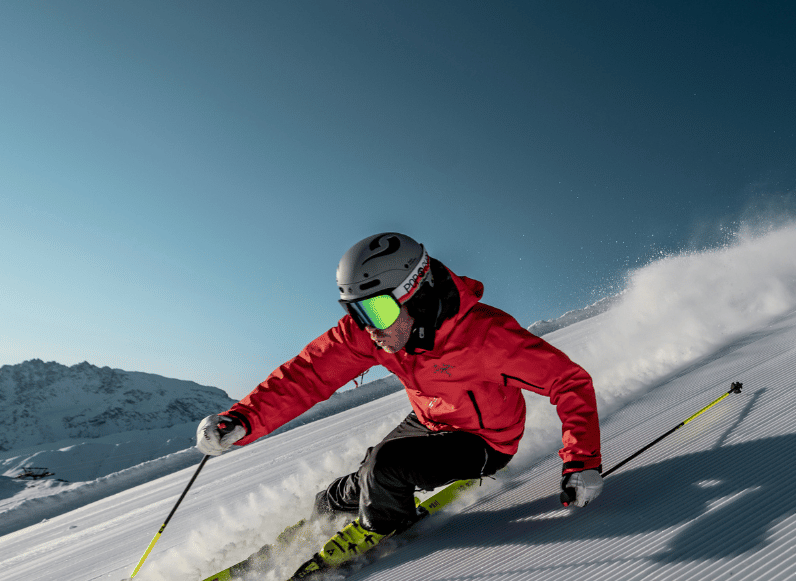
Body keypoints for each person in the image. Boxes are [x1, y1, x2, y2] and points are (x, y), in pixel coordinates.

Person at [196, 232, 603, 552]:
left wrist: (581, 461)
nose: (368, 327)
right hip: (427, 421)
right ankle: (322, 520)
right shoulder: (375, 333)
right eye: (355, 310)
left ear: (418, 295)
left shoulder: (485, 336)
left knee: (385, 467)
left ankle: (382, 532)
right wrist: (243, 419)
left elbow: (568, 382)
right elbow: (306, 376)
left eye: (377, 310)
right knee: (355, 484)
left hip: (484, 440)